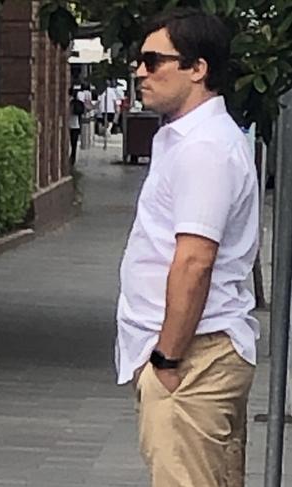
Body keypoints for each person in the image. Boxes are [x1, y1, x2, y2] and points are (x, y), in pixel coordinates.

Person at [116, 8, 259, 487]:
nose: (140, 71)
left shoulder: (204, 148)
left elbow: (195, 260)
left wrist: (167, 361)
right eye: (140, 60)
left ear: (198, 69)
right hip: (196, 354)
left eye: (154, 60)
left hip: (195, 358)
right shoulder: (186, 140)